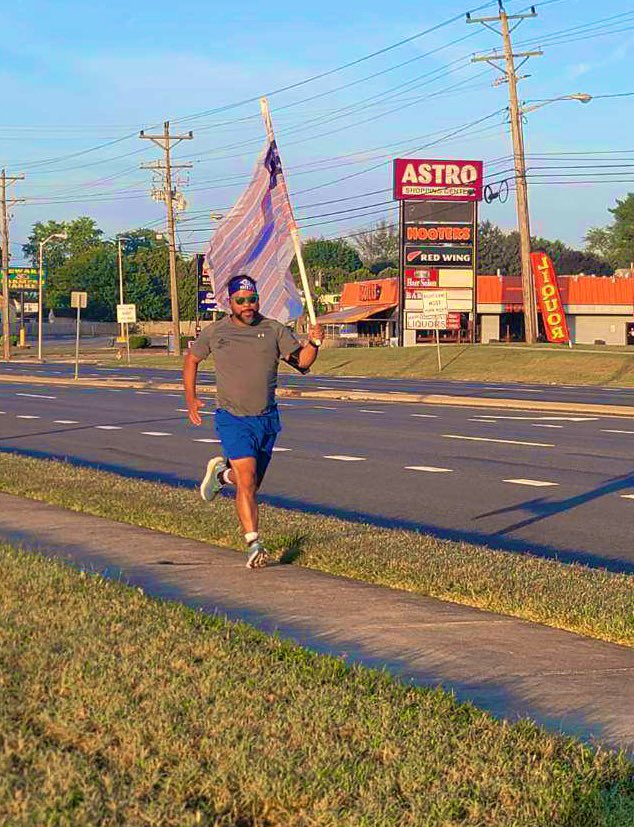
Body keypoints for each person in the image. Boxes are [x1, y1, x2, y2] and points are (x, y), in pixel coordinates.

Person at [183, 274, 323, 569]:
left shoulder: (273, 330)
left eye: (252, 299)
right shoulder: (216, 332)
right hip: (232, 418)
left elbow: (303, 361)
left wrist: (314, 342)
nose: (248, 305)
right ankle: (253, 543)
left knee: (250, 484)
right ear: (230, 302)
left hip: (266, 419)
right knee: (246, 480)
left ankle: (222, 475)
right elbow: (192, 359)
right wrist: (191, 398)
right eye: (241, 301)